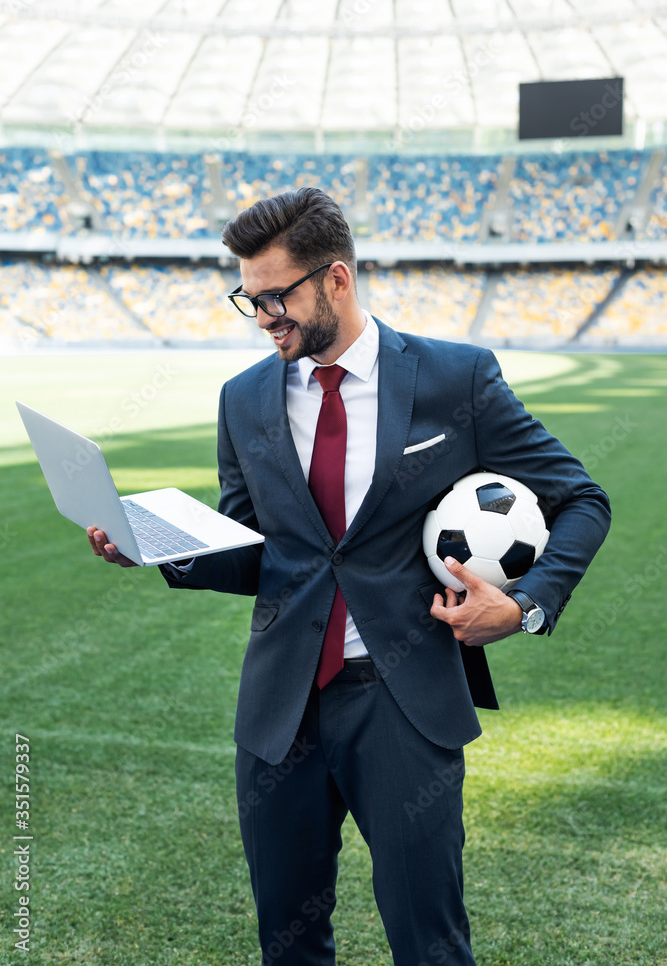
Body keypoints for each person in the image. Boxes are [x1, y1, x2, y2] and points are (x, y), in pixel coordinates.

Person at [87, 187, 611, 966]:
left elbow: (581, 498)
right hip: (278, 712)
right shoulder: (243, 399)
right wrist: (166, 548)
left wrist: (526, 606)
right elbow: (260, 551)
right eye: (248, 298)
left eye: (275, 297)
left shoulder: (453, 380)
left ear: (335, 279)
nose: (263, 317)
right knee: (288, 943)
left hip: (401, 703)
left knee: (428, 943)